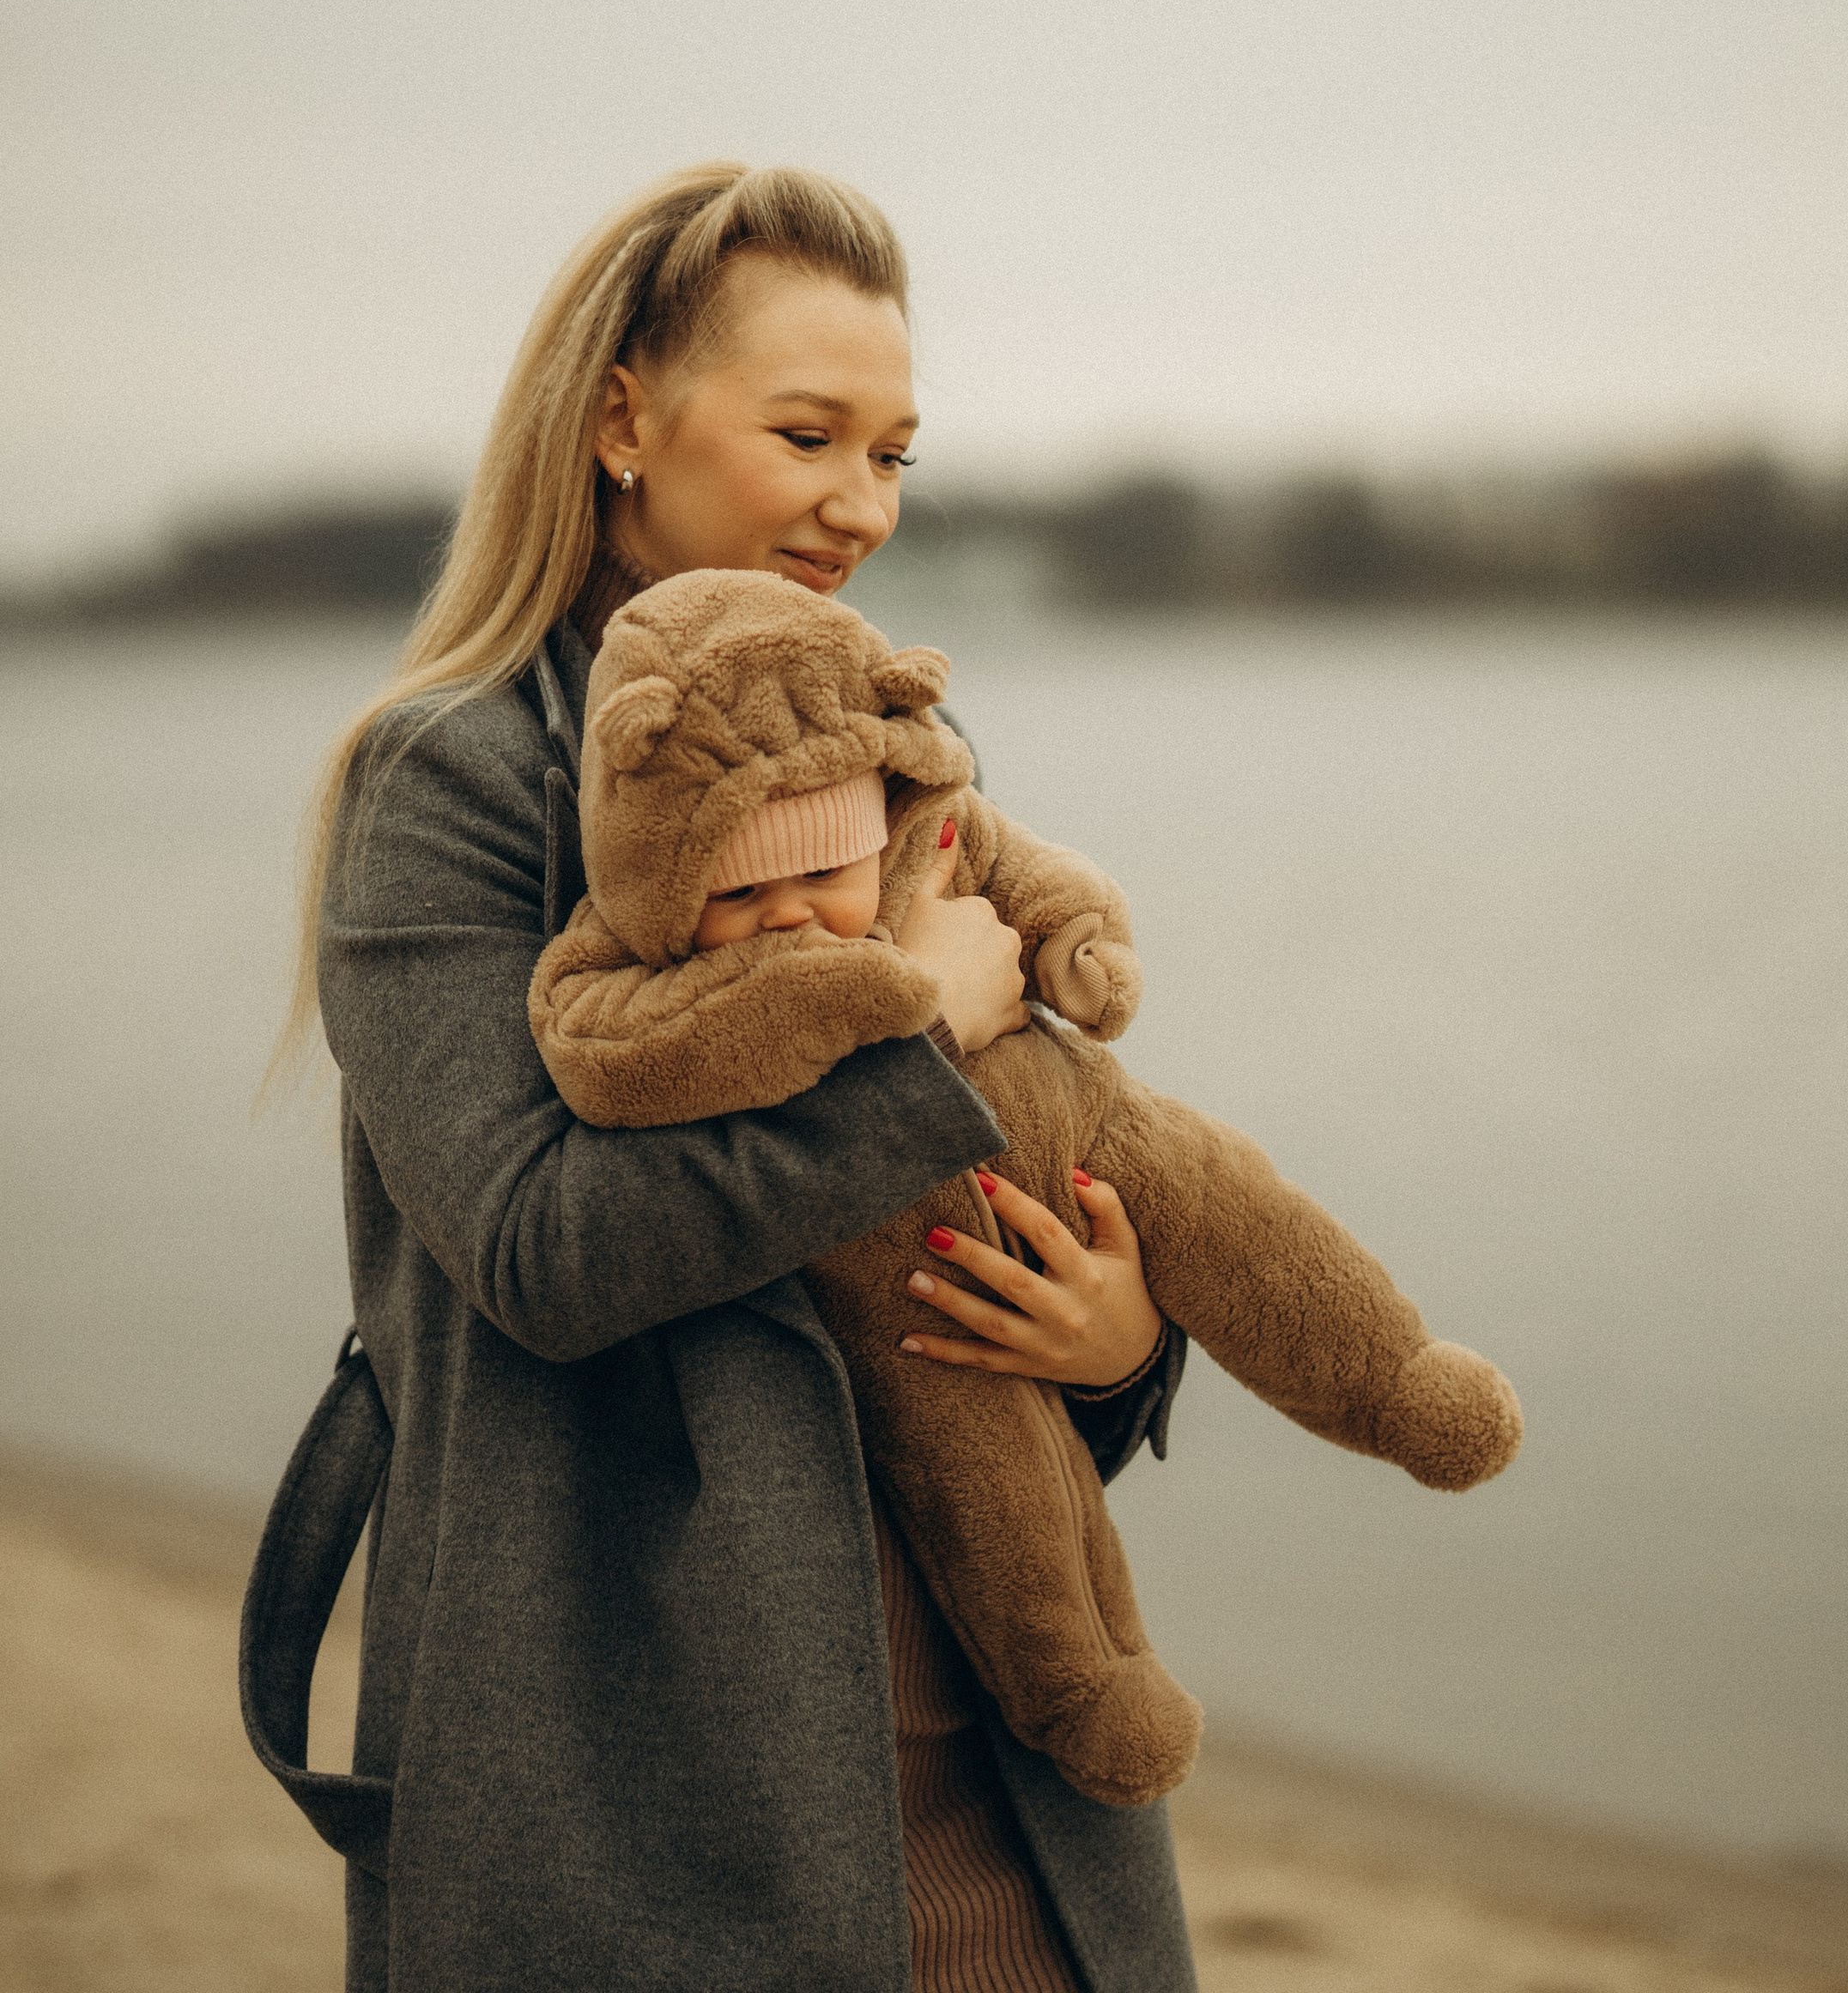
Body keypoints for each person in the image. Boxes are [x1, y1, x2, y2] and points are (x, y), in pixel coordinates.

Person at [241, 162, 1198, 1993]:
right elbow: (542, 1255)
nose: (859, 506)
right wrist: (911, 1035)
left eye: (894, 454)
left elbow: (946, 1222)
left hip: (1013, 1780)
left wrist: (1113, 1344)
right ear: (623, 418)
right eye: (807, 433)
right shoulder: (447, 784)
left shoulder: (894, 751)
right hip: (651, 1819)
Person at [527, 565, 1523, 1812]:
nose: (792, 919)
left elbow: (1023, 866)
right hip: (913, 1271)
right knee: (994, 1493)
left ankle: (1394, 1380)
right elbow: (603, 1054)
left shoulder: (920, 817)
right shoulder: (609, 943)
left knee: (1244, 1217)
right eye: (737, 896)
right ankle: (1084, 1688)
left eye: (820, 880)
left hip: (1087, 1123)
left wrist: (1076, 943)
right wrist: (877, 1002)